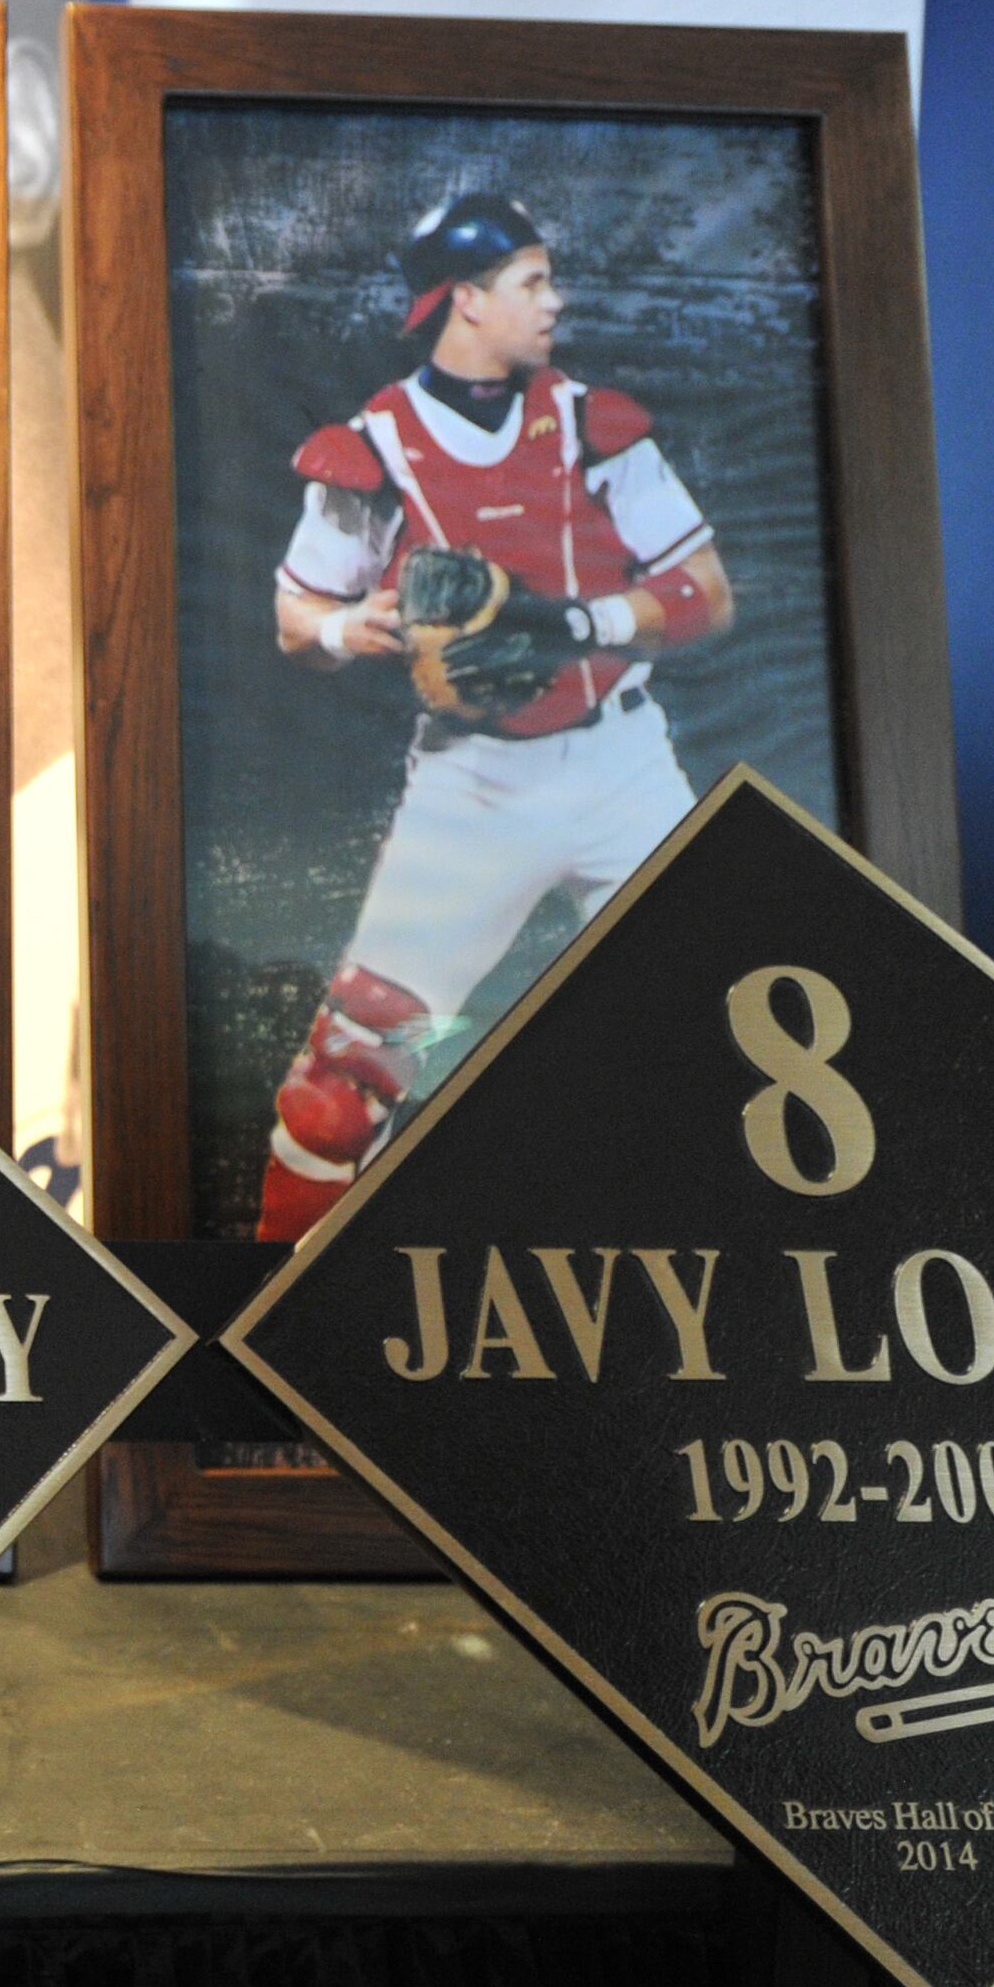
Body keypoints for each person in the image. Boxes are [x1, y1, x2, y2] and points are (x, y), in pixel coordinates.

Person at [253, 192, 736, 1238]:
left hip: (626, 771)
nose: (555, 301)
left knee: (728, 1057)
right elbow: (296, 613)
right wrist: (350, 631)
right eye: (532, 282)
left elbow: (707, 593)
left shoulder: (591, 422)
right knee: (339, 1089)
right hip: (474, 784)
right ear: (465, 300)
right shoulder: (372, 447)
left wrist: (569, 621)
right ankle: (263, 1353)